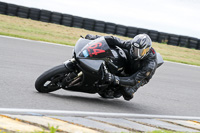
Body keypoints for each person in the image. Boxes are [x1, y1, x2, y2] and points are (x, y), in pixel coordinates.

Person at [85, 34, 157, 101]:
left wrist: (114, 79)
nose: (136, 53)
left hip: (140, 76)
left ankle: (117, 88)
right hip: (131, 62)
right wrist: (95, 38)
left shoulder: (150, 64)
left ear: (147, 50)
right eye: (135, 49)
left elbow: (133, 80)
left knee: (127, 93)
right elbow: (114, 40)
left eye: (141, 51)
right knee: (117, 51)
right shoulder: (131, 44)